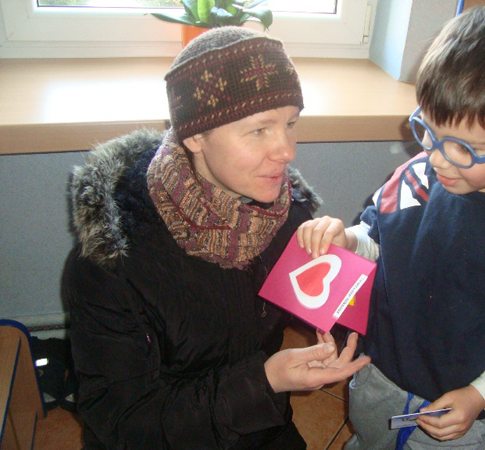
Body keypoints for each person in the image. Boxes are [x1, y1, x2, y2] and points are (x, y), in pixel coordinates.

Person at [61, 26, 370, 450]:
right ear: (194, 135)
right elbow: (127, 424)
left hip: (261, 424)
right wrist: (264, 381)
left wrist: (348, 266)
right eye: (259, 130)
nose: (287, 151)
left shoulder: (283, 213)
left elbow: (351, 319)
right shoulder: (112, 263)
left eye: (290, 124)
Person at [296, 4, 485, 449]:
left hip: (457, 406)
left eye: (466, 148)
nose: (437, 158)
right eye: (429, 129)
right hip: (377, 374)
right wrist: (346, 240)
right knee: (368, 439)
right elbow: (376, 239)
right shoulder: (415, 175)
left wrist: (481, 396)